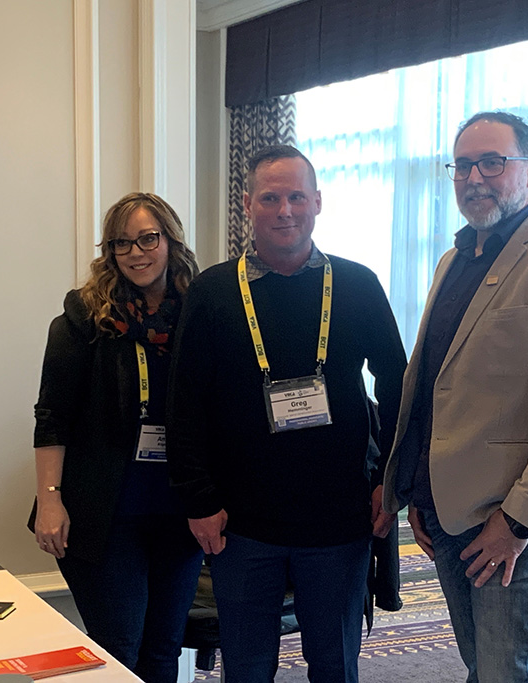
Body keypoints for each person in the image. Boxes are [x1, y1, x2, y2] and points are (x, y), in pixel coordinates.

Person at [383, 111, 528, 682]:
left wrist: (518, 523)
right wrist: (419, 488)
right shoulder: (454, 259)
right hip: (447, 508)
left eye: (492, 162)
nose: (474, 177)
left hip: (508, 518)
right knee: (480, 665)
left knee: (507, 671)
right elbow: (438, 383)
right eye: (462, 165)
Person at [168, 145, 407, 682]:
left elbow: (397, 382)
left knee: (334, 664)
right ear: (248, 204)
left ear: (318, 202)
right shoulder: (211, 293)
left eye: (297, 196)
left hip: (339, 518)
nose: (285, 210)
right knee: (248, 668)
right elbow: (185, 405)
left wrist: (389, 479)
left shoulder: (356, 284)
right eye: (271, 198)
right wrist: (198, 498)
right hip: (241, 523)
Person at [32, 192, 204, 683]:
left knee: (164, 648)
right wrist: (50, 500)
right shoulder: (84, 318)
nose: (136, 252)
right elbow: (52, 416)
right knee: (120, 648)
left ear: (170, 240)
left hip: (179, 510)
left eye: (147, 238)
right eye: (121, 243)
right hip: (106, 513)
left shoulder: (198, 314)